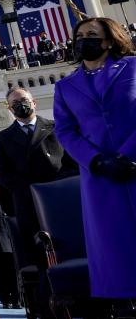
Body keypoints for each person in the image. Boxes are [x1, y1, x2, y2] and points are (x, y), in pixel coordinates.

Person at [53, 16, 136, 300]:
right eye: (78, 36)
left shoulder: (132, 67)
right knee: (115, 246)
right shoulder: (65, 87)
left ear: (108, 41)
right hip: (101, 177)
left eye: (90, 34)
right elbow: (65, 132)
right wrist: (97, 161)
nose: (82, 40)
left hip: (133, 164)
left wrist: (126, 155)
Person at [0, 87, 77, 269]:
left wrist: (57, 186)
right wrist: (31, 189)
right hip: (29, 204)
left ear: (34, 102)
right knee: (40, 258)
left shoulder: (56, 128)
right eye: (15, 103)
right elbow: (2, 173)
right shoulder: (2, 138)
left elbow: (72, 163)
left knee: (72, 250)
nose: (21, 105)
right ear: (9, 109)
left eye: (24, 100)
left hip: (61, 199)